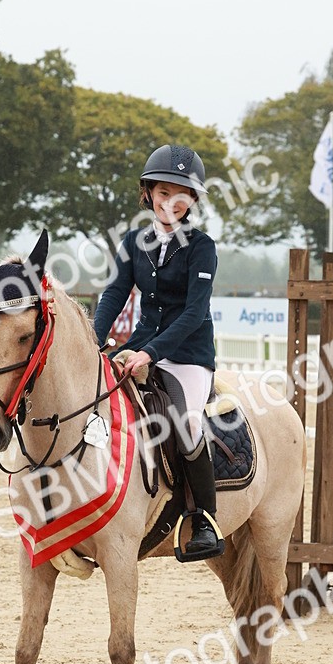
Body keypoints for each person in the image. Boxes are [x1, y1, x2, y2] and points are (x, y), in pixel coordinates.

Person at [93, 143, 223, 560]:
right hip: (141, 345)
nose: (171, 202)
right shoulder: (134, 241)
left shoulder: (202, 247)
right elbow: (115, 294)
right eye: (164, 192)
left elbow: (194, 313)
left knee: (186, 424)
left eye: (181, 194)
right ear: (148, 193)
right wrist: (94, 339)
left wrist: (150, 353)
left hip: (188, 355)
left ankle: (204, 519)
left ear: (193, 200)